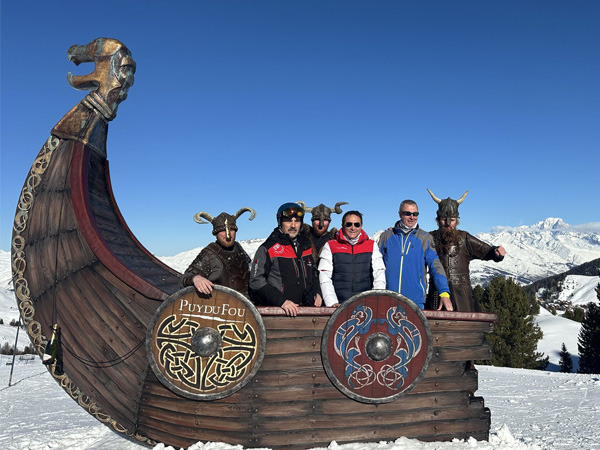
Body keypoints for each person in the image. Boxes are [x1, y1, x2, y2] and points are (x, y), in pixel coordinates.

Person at [425, 189, 507, 312]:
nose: (448, 224)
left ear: (456, 220)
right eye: (444, 219)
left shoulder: (464, 238)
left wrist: (496, 252)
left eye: (452, 220)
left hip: (462, 296)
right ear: (438, 219)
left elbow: (486, 251)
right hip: (437, 295)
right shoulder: (428, 238)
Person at [249, 202, 322, 316]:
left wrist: (317, 292)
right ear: (280, 222)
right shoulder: (268, 248)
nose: (293, 225)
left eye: (297, 221)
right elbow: (256, 281)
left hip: (307, 310)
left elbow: (313, 273)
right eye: (288, 220)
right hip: (280, 312)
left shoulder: (306, 245)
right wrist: (281, 301)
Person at [378, 199, 453, 311]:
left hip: (415, 302)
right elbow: (376, 266)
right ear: (400, 214)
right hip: (388, 299)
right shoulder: (387, 236)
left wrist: (444, 292)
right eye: (407, 213)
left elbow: (436, 266)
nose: (412, 217)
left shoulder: (424, 238)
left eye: (415, 214)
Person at [181, 208, 255, 297]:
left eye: (231, 229)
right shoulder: (209, 253)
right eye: (223, 231)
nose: (228, 235)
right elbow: (185, 277)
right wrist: (196, 278)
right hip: (221, 306)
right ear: (216, 234)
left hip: (247, 304)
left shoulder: (238, 248)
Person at [318, 210, 386, 307]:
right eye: (349, 224)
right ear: (343, 225)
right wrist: (332, 302)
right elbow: (324, 276)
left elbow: (379, 274)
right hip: (339, 305)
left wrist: (376, 300)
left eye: (356, 224)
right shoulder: (331, 245)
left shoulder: (371, 245)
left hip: (365, 304)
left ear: (361, 226)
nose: (353, 228)